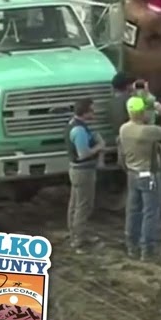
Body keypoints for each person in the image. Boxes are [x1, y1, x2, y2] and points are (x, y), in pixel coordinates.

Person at [118, 95, 161, 260]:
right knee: (150, 212)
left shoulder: (124, 129)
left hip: (132, 174)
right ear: (141, 112)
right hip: (148, 175)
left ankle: (131, 245)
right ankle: (147, 249)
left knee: (132, 210)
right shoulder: (146, 131)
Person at [65, 98, 105, 252]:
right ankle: (79, 240)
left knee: (75, 204)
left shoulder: (72, 125)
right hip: (83, 171)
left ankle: (74, 233)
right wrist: (99, 146)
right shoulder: (79, 130)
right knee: (83, 206)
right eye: (92, 110)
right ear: (86, 112)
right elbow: (83, 154)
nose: (94, 113)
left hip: (76, 170)